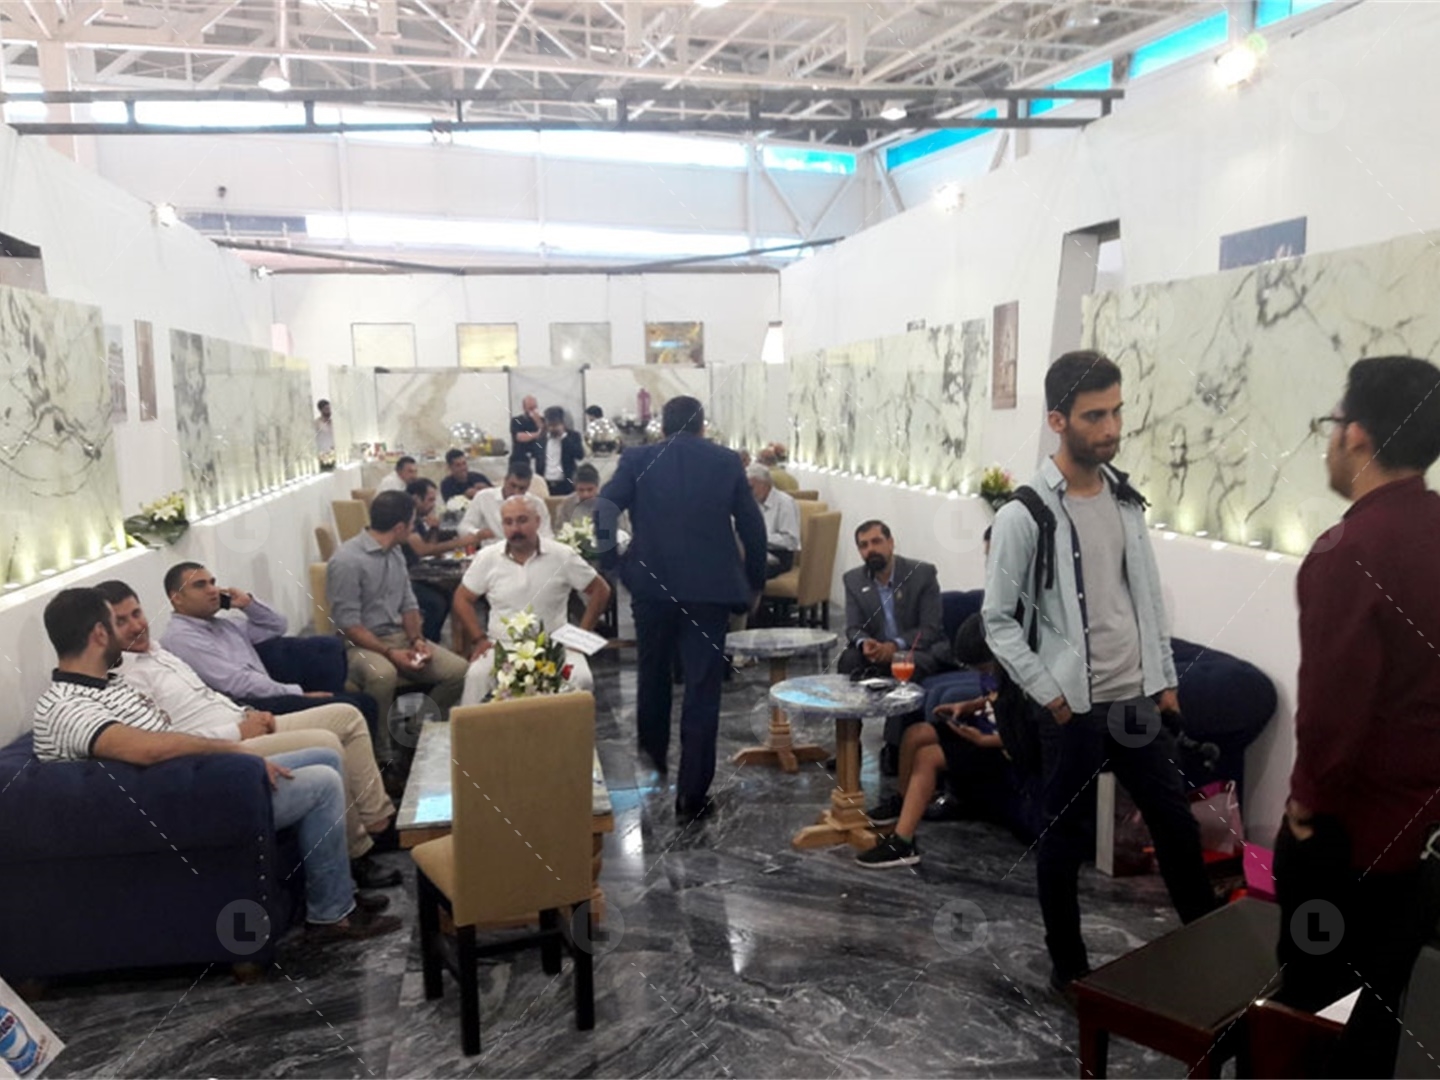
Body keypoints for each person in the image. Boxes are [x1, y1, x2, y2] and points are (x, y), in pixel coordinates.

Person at [983, 350, 1215, 994]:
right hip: (1072, 709)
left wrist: (1164, 680)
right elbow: (997, 620)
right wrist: (1051, 695)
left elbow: (1145, 599)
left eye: (1116, 412)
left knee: (1176, 824)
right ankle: (1069, 968)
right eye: (1094, 416)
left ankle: (1212, 948)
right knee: (1063, 840)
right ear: (1058, 421)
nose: (1111, 428)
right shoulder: (1024, 515)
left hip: (1134, 701)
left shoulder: (1125, 499)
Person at [31, 588, 400, 941]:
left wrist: (234, 755)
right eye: (115, 623)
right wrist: (236, 755)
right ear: (100, 634)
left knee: (326, 756)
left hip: (197, 778)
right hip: (183, 805)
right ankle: (332, 915)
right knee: (322, 783)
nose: (125, 631)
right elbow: (150, 751)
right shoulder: (68, 706)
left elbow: (169, 741)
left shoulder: (108, 685)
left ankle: (344, 889)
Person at [1272, 356, 1440, 1077]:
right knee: (1379, 1014)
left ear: (1358, 435)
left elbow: (1332, 718)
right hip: (1423, 838)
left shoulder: (1350, 552)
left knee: (1314, 1020)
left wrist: (1305, 807)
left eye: (1333, 423)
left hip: (1351, 844)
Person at [97, 579, 401, 890]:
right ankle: (358, 854)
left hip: (246, 718)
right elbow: (172, 739)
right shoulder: (126, 677)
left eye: (137, 613)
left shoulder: (159, 651)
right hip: (227, 745)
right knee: (326, 743)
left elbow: (212, 694)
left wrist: (248, 712)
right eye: (122, 621)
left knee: (347, 716)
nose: (136, 626)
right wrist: (238, 730)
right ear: (103, 632)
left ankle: (377, 821)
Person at [599, 396, 767, 823]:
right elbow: (752, 525)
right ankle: (692, 793)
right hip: (709, 591)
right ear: (702, 426)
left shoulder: (637, 459)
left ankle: (654, 763)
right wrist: (755, 582)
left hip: (651, 586)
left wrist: (612, 563)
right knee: (702, 687)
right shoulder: (726, 461)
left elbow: (605, 507)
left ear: (662, 427)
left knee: (652, 674)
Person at [859, 614, 1040, 868]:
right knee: (916, 733)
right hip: (982, 728)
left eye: (982, 669)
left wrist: (983, 740)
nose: (980, 674)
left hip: (999, 746)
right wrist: (967, 706)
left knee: (927, 756)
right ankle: (903, 802)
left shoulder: (1023, 678)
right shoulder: (996, 672)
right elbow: (992, 697)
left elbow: (1024, 738)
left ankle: (903, 843)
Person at [152, 562, 378, 731]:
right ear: (177, 598)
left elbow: (276, 626)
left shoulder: (224, 625)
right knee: (356, 706)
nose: (212, 590)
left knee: (360, 699)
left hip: (267, 692)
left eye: (212, 582)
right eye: (200, 585)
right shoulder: (181, 638)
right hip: (246, 709)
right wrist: (299, 693)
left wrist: (248, 604)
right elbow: (237, 683)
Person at [326, 491, 469, 753]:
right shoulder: (346, 561)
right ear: (400, 527)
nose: (415, 528)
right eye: (413, 522)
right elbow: (348, 625)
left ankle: (417, 728)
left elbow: (408, 604)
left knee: (459, 671)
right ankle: (380, 749)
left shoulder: (395, 552)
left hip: (399, 637)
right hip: (359, 645)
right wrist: (390, 653)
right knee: (383, 674)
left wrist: (417, 640)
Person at [453, 496, 611, 704]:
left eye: (522, 520)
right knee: (477, 676)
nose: (515, 529)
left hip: (555, 644)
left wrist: (582, 634)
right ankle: (475, 727)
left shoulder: (561, 555)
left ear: (537, 521)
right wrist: (479, 639)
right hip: (502, 645)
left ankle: (569, 727)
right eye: (508, 522)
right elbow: (462, 598)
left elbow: (601, 590)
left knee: (581, 678)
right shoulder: (488, 557)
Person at [839, 520, 952, 770]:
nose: (871, 549)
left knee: (907, 664)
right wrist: (865, 643)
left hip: (918, 649)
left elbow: (930, 628)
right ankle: (848, 745)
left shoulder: (922, 573)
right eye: (863, 545)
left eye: (876, 542)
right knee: (848, 659)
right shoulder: (853, 580)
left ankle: (894, 746)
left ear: (890, 543)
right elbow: (854, 627)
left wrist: (895, 646)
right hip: (877, 651)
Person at [403, 479, 483, 642]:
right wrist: (462, 542)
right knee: (435, 602)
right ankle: (424, 641)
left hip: (417, 572)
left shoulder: (418, 518)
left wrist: (434, 529)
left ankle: (439, 640)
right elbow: (423, 550)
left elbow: (428, 546)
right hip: (405, 576)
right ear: (416, 498)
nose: (433, 505)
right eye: (430, 500)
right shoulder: (404, 517)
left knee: (448, 596)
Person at [458, 459, 553, 545]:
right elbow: (463, 527)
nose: (516, 492)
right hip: (492, 552)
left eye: (522, 488)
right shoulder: (484, 497)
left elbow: (546, 536)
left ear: (528, 486)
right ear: (505, 480)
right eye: (513, 486)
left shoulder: (537, 504)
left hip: (526, 551)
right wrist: (478, 533)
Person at [746, 463, 801, 578]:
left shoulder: (785, 503)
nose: (748, 492)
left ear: (765, 484)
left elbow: (791, 541)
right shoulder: (753, 501)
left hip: (779, 556)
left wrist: (760, 537)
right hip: (756, 551)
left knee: (747, 572)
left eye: (751, 487)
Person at [535, 405, 586, 497]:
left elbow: (580, 455)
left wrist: (563, 437)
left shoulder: (573, 436)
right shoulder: (541, 439)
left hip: (566, 483)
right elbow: (538, 461)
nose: (553, 428)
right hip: (546, 483)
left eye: (556, 425)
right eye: (550, 425)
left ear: (562, 423)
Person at [556, 463, 602, 529]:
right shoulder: (567, 505)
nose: (585, 494)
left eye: (590, 490)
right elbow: (559, 530)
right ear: (575, 488)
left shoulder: (607, 503)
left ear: (597, 487)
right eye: (581, 490)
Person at [510, 395, 544, 466]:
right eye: (530, 408)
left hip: (537, 457)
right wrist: (537, 434)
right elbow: (520, 437)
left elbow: (545, 434)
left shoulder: (542, 420)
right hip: (520, 458)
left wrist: (538, 421)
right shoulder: (516, 420)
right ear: (524, 408)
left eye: (535, 407)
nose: (533, 411)